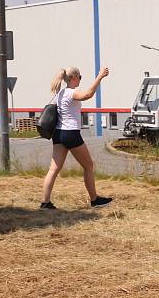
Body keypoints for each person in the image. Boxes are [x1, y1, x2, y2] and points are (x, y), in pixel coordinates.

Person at [41, 66, 113, 209]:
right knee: (88, 166)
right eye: (80, 77)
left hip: (58, 134)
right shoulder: (71, 93)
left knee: (53, 169)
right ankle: (94, 200)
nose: (80, 79)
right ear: (73, 77)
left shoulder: (60, 93)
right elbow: (88, 95)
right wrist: (99, 77)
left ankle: (45, 202)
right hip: (71, 133)